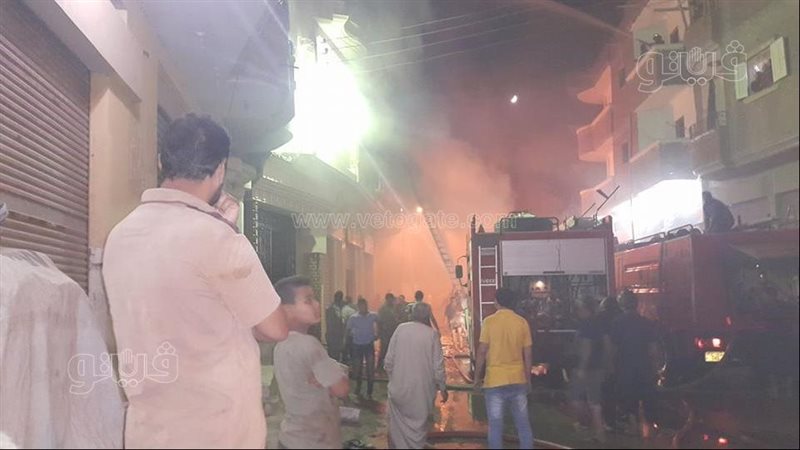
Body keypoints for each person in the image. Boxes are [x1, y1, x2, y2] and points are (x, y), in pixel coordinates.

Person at [103, 114, 289, 448]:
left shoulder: (119, 236)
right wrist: (227, 231)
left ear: (161, 162)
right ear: (220, 171)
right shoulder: (219, 239)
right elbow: (275, 328)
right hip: (217, 433)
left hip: (149, 432)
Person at [273, 276, 350, 449]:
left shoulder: (281, 344)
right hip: (313, 440)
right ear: (287, 309)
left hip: (291, 438)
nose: (316, 304)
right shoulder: (309, 344)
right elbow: (342, 389)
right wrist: (338, 370)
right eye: (308, 300)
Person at [474, 288, 534, 449]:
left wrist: (476, 378)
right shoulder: (522, 322)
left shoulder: (489, 322)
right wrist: (528, 380)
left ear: (496, 302)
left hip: (495, 381)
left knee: (495, 427)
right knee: (523, 425)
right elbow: (528, 354)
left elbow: (482, 351)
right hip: (518, 380)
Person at [385, 302, 448, 449]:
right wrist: (443, 388)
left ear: (412, 314)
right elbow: (438, 367)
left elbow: (388, 361)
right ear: (427, 316)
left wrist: (394, 379)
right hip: (421, 393)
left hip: (398, 390)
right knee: (418, 429)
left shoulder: (400, 329)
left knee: (397, 429)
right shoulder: (432, 335)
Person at [609, 290, 660, 439]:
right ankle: (650, 430)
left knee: (628, 398)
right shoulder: (646, 323)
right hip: (645, 367)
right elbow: (653, 349)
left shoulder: (617, 323)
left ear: (621, 304)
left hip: (625, 367)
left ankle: (633, 427)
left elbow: (613, 348)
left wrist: (611, 366)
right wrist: (656, 368)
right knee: (648, 398)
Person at [570, 297, 610, 443]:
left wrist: (582, 367)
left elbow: (586, 348)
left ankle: (586, 426)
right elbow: (607, 344)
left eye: (579, 308)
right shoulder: (600, 324)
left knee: (577, 399)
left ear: (585, 309)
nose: (577, 311)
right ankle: (600, 432)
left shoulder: (586, 325)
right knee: (595, 401)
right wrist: (606, 363)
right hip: (598, 367)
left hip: (587, 369)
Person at [347, 298, 379, 399]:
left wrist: (377, 334)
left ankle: (369, 391)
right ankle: (358, 387)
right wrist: (349, 343)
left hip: (368, 345)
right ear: (358, 307)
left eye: (364, 305)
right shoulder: (353, 318)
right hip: (357, 345)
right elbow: (348, 330)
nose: (363, 308)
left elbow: (380, 323)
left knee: (370, 369)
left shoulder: (373, 315)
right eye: (361, 306)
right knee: (358, 369)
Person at [377, 293, 400, 372]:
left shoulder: (394, 308)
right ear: (387, 299)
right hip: (385, 333)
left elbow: (396, 319)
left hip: (393, 332)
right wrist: (379, 332)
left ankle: (390, 366)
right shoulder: (383, 309)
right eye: (390, 299)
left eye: (392, 299)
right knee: (384, 350)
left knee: (393, 350)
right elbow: (379, 322)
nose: (391, 301)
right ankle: (380, 367)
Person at [325, 291, 347, 362]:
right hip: (333, 334)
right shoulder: (331, 308)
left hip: (338, 334)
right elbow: (329, 322)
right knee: (334, 355)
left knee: (340, 354)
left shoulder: (343, 307)